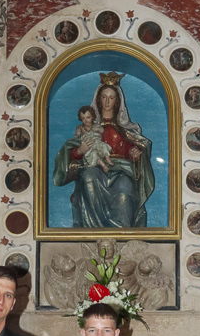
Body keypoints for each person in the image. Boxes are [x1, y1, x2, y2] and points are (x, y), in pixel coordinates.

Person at [53, 72, 155, 229]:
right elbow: (73, 155)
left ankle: (123, 233)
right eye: (104, 97)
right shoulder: (87, 129)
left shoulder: (125, 129)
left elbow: (131, 149)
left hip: (121, 171)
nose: (107, 102)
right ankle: (92, 232)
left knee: (125, 187)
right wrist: (80, 151)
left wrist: (135, 154)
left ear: (117, 101)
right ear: (98, 99)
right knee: (89, 177)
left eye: (111, 97)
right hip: (95, 168)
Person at [74, 106, 113, 171]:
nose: (86, 120)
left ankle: (108, 158)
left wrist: (99, 128)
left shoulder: (96, 126)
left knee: (104, 146)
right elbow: (76, 138)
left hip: (98, 143)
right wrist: (78, 132)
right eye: (83, 118)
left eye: (88, 117)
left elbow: (102, 131)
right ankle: (103, 165)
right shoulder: (80, 128)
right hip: (89, 147)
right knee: (93, 154)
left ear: (92, 117)